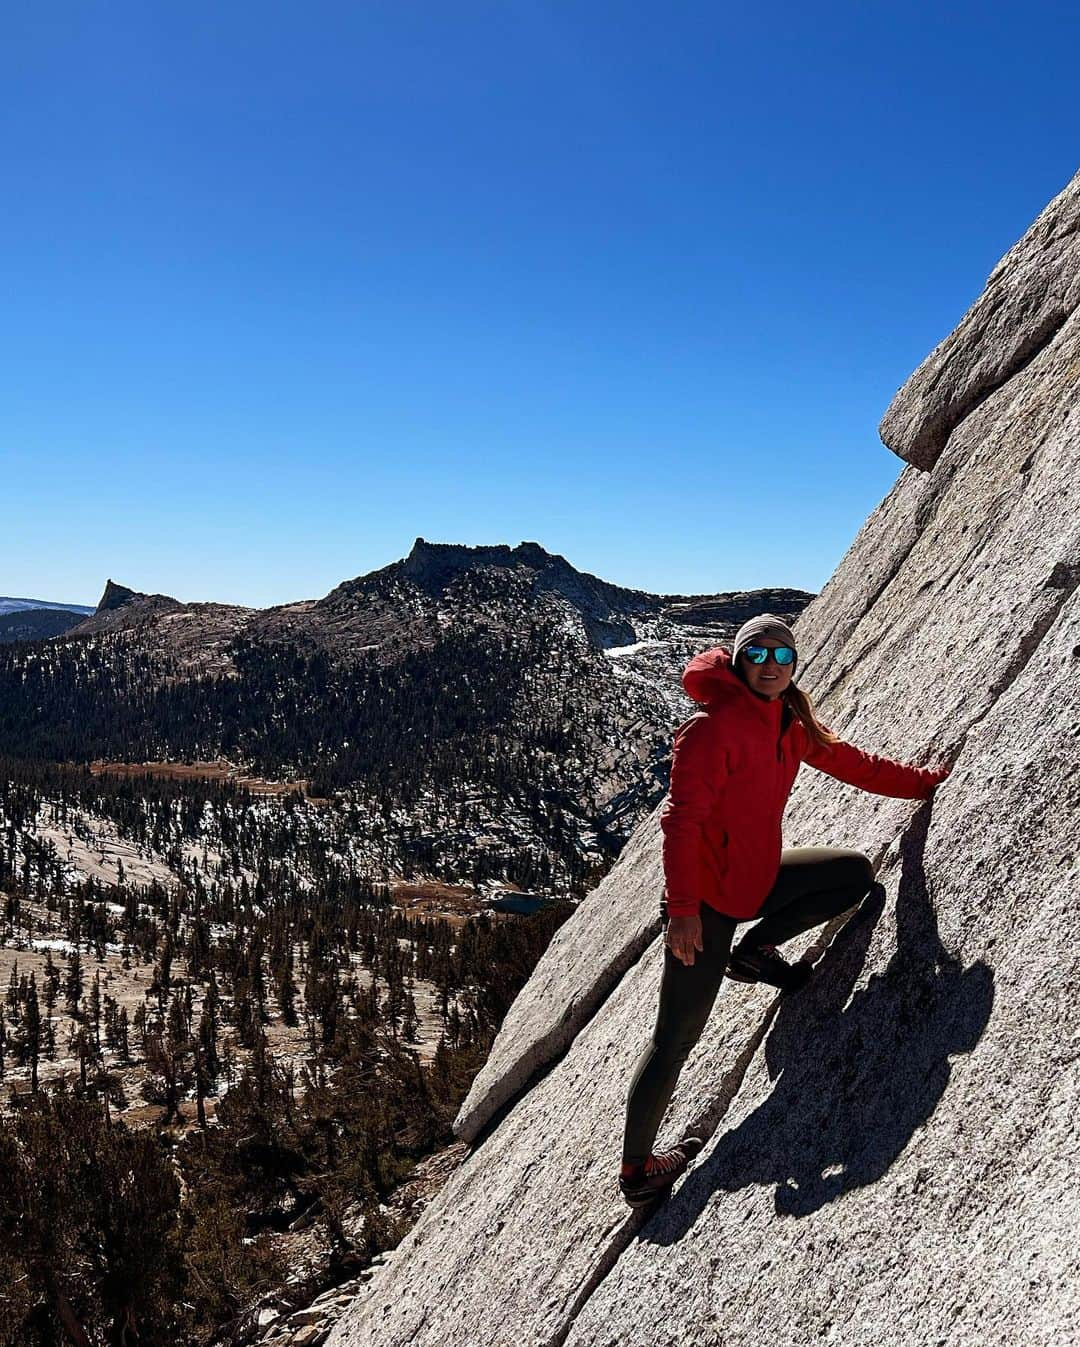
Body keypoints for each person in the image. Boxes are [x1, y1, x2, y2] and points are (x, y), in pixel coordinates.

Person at [618, 613, 952, 1208]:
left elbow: (854, 763)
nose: (770, 667)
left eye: (781, 657)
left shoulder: (788, 724)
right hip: (709, 906)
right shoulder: (710, 730)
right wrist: (684, 911)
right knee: (675, 1039)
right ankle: (639, 1170)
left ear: (793, 665)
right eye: (759, 656)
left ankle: (756, 951)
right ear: (740, 662)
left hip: (758, 879)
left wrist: (927, 784)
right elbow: (681, 824)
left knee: (851, 875)